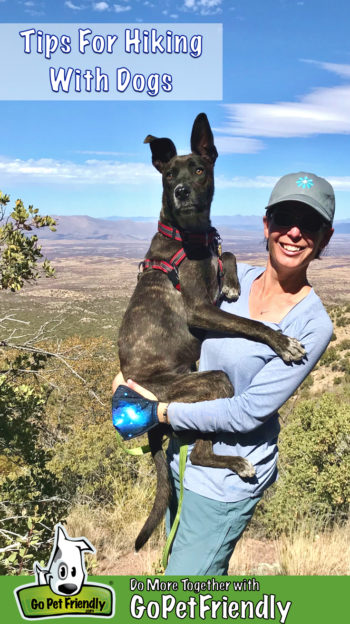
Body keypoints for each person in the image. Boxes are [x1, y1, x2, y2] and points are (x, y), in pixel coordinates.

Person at [112, 171, 335, 575]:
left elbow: (247, 412)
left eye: (311, 225)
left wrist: (157, 412)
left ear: (325, 239)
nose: (295, 233)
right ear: (267, 226)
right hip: (184, 458)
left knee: (185, 595)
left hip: (222, 486)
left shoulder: (312, 325)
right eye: (284, 218)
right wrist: (130, 379)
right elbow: (164, 324)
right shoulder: (237, 276)